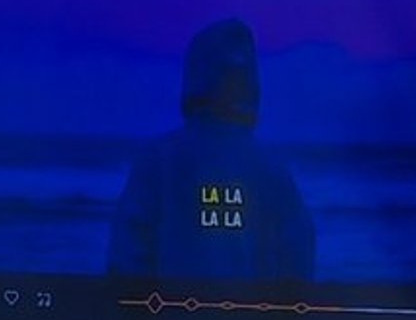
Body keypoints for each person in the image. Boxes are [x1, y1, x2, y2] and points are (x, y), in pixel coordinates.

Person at [108, 20, 315, 294]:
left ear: (193, 74)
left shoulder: (158, 158)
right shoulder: (270, 166)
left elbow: (127, 262)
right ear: (251, 82)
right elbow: (296, 264)